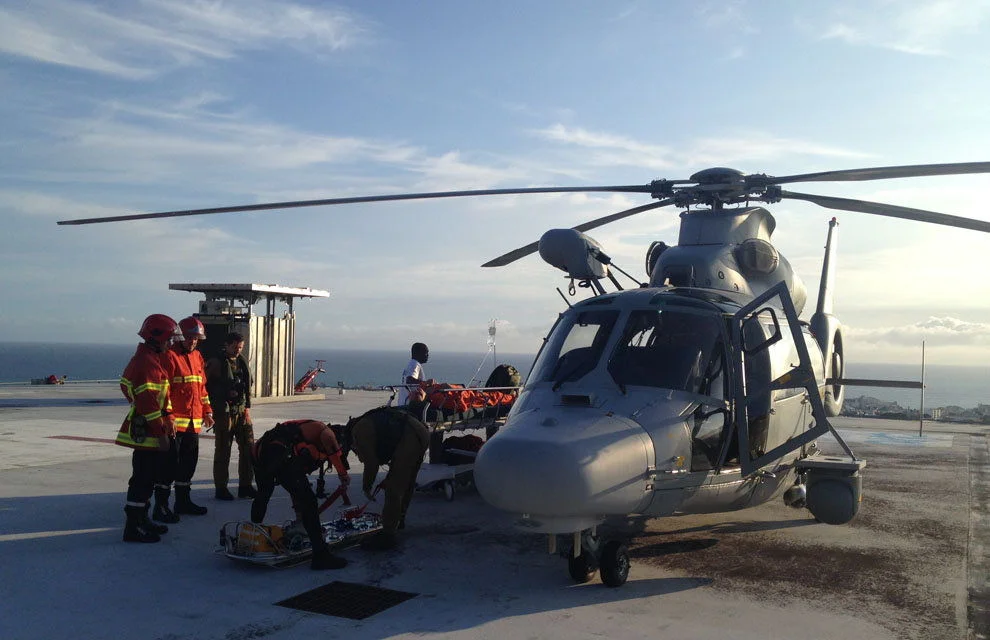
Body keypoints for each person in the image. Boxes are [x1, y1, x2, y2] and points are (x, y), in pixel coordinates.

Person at [251, 419, 350, 570]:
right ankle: (320, 556)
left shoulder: (305, 437)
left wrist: (299, 514)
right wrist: (343, 476)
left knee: (264, 494)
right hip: (279, 453)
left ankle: (252, 535)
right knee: (309, 502)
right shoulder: (327, 433)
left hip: (260, 451)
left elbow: (295, 483)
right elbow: (333, 450)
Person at [115, 314, 178, 543]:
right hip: (149, 432)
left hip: (154, 427)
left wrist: (168, 416)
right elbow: (148, 402)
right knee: (142, 479)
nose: (171, 344)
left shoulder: (151, 359)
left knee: (148, 478)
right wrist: (160, 431)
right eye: (169, 339)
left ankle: (141, 519)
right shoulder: (146, 363)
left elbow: (160, 396)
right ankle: (133, 527)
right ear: (156, 338)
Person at [154, 316, 214, 519]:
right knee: (168, 466)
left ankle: (183, 502)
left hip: (193, 423)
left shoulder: (197, 357)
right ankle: (160, 506)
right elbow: (164, 390)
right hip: (174, 424)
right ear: (181, 336)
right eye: (190, 337)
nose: (193, 341)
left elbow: (202, 388)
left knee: (189, 464)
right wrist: (168, 415)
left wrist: (207, 411)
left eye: (196, 338)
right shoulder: (169, 356)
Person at [349, 407, 430, 551]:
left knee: (394, 490)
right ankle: (400, 519)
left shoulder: (359, 431)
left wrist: (366, 486)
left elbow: (371, 463)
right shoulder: (367, 421)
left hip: (410, 436)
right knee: (407, 482)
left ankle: (388, 535)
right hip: (420, 431)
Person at [205, 332, 256, 500]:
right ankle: (221, 488)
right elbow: (203, 386)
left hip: (241, 411)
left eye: (240, 347)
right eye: (234, 347)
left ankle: (246, 486)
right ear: (226, 345)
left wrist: (246, 410)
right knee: (223, 451)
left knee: (248, 448)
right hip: (223, 413)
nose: (237, 351)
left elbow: (246, 390)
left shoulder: (241, 363)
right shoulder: (215, 363)